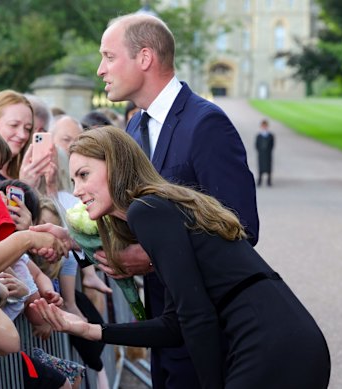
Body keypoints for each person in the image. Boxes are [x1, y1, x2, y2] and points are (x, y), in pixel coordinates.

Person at [32, 126, 331, 389]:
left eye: (84, 175)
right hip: (286, 338)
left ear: (116, 165)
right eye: (73, 181)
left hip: (272, 345)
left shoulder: (146, 210)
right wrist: (89, 330)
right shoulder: (154, 209)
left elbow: (195, 315)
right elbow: (175, 325)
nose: (78, 191)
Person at [94, 13, 259, 389]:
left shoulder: (206, 124)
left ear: (146, 57)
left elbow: (243, 228)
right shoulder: (134, 128)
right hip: (165, 326)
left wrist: (152, 258)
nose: (101, 69)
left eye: (109, 56)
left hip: (207, 328)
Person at [255, 119, 275, 187]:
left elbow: (272, 145)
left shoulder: (270, 136)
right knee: (260, 166)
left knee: (268, 166)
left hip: (268, 153)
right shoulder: (259, 136)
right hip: (261, 153)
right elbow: (256, 145)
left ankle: (269, 180)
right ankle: (260, 180)